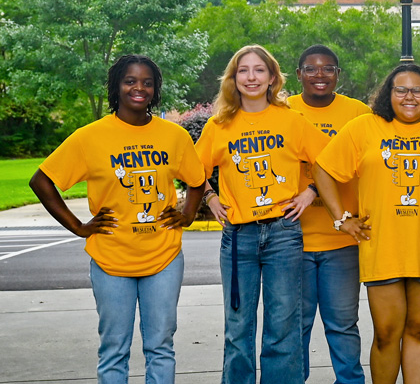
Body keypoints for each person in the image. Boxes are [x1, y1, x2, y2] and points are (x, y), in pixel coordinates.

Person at [29, 54, 206, 384]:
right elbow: (41, 180)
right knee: (114, 350)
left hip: (163, 256)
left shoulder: (174, 135)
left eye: (147, 82)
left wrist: (187, 214)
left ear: (155, 90)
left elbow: (197, 181)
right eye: (130, 81)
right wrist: (78, 227)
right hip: (111, 258)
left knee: (160, 347)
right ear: (116, 87)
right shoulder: (90, 136)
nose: (139, 88)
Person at [312, 63, 420, 384]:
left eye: (417, 90)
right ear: (389, 95)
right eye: (401, 90)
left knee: (419, 328)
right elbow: (323, 169)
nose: (409, 97)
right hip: (382, 245)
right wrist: (341, 219)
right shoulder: (365, 127)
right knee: (385, 332)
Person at [195, 45, 330, 384]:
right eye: (243, 70)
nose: (251, 77)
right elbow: (192, 170)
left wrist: (310, 191)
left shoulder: (292, 120)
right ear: (233, 78)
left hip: (283, 234)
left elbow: (332, 160)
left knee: (283, 326)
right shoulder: (219, 125)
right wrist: (209, 196)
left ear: (272, 78)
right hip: (239, 236)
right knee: (238, 327)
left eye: (259, 70)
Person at [287, 44, 371, 384]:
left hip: (342, 239)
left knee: (342, 323)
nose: (319, 75)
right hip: (292, 238)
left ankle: (349, 381)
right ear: (299, 75)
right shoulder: (283, 110)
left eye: (328, 68)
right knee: (296, 324)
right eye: (311, 68)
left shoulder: (358, 113)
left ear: (338, 74)